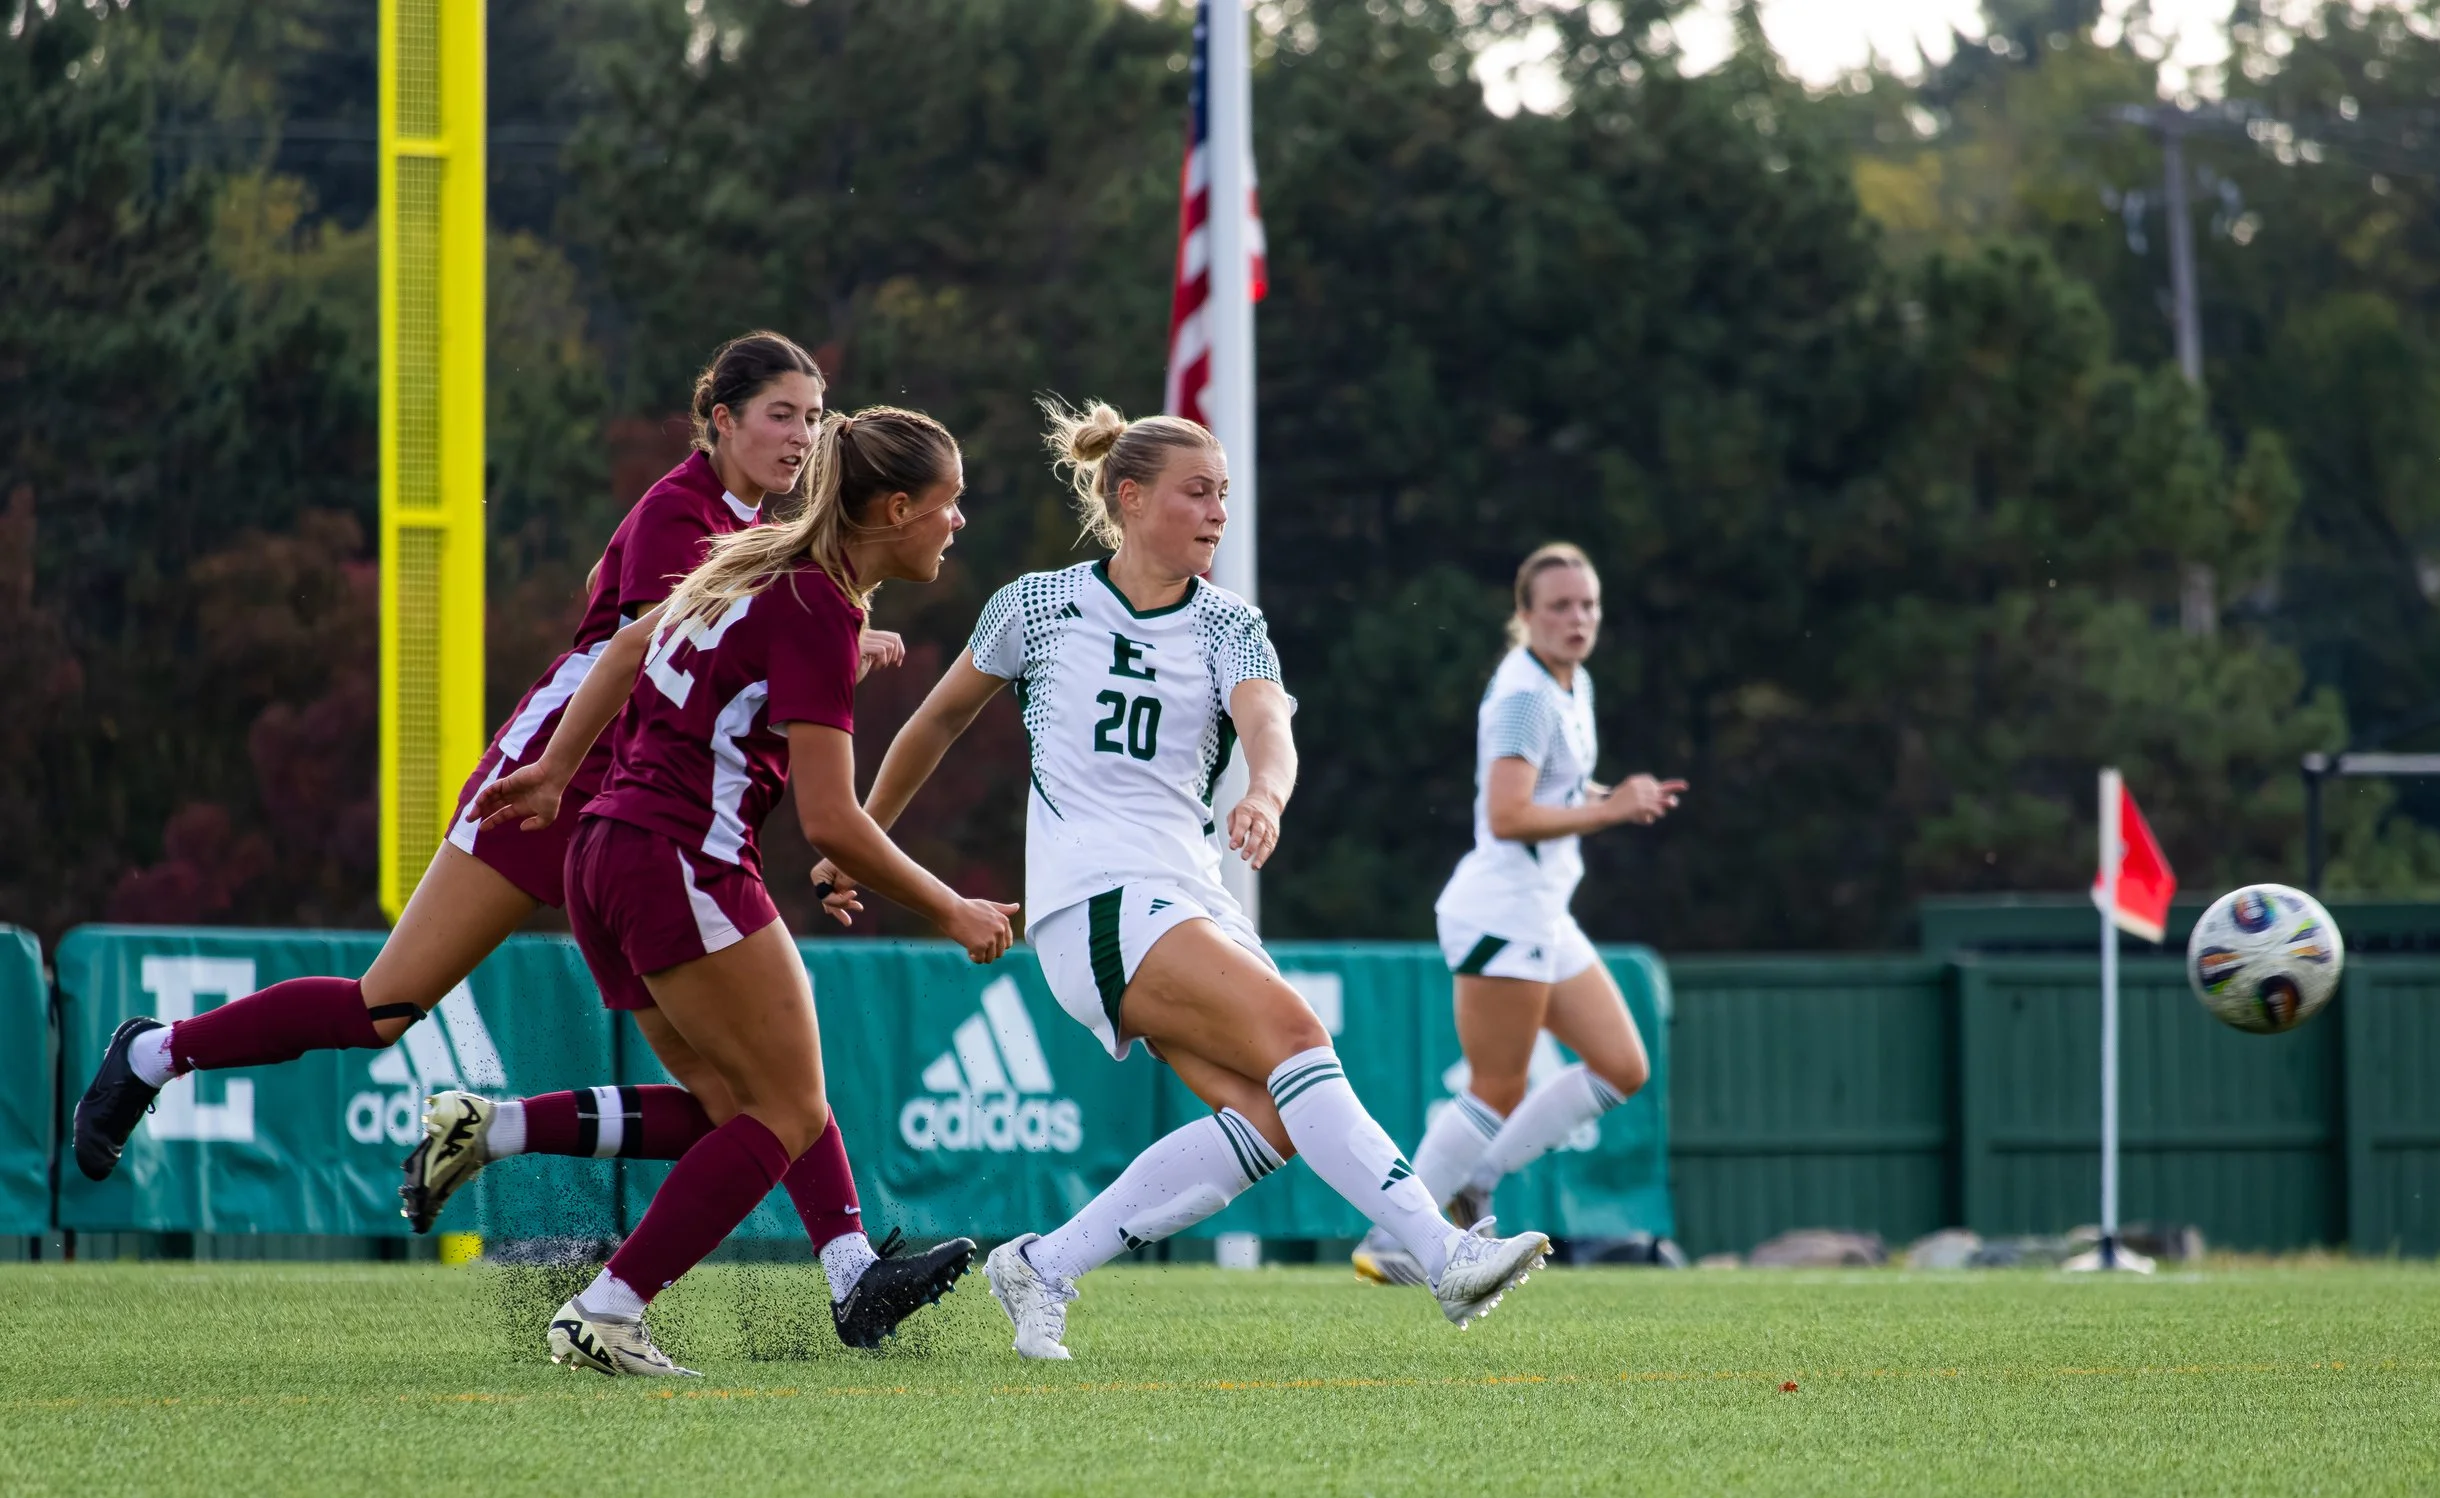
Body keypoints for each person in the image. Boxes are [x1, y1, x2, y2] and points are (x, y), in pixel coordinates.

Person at [67, 333, 914, 1342]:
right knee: (384, 1006)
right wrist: (817, 645)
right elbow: (650, 648)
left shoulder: (754, 527)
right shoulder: (679, 510)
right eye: (781, 413)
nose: (801, 436)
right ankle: (157, 1051)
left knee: (754, 1086)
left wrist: (825, 643)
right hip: (557, 780)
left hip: (647, 808)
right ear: (721, 418)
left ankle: (839, 1264)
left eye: (813, 418)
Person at [835, 399, 1552, 1362]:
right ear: (1130, 497)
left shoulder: (1230, 622)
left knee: (1271, 1118)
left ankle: (1043, 1264)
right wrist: (863, 834)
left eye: (1224, 493)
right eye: (1198, 492)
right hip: (1095, 899)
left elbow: (1270, 729)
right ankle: (1443, 1253)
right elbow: (935, 721)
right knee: (1299, 1038)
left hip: (1186, 895)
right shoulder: (1037, 603)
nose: (1219, 512)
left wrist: (1265, 792)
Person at [462, 403, 1014, 1376]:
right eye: (949, 501)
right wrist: (950, 907)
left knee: (739, 1103)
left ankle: (851, 1274)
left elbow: (624, 648)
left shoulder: (758, 557)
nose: (958, 521)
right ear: (894, 509)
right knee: (788, 1109)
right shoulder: (820, 604)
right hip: (681, 857)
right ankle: (608, 1307)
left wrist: (556, 772)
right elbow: (832, 820)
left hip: (607, 851)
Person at [1351, 542, 1683, 1287]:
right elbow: (1507, 815)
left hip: (1541, 912)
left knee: (1622, 1067)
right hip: (1502, 911)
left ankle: (1476, 1181)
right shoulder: (1526, 696)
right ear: (1525, 615)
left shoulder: (1571, 682)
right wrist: (1612, 812)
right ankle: (1391, 1235)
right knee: (1494, 1086)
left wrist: (1611, 798)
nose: (1577, 618)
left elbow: (1555, 789)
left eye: (1588, 605)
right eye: (1560, 606)